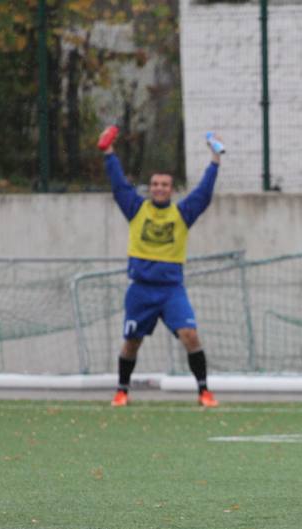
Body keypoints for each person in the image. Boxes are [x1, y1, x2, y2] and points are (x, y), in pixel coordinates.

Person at [99, 127, 221, 408]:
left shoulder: (182, 213)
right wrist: (108, 153)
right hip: (140, 289)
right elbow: (119, 185)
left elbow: (203, 194)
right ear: (150, 187)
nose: (159, 188)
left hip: (171, 290)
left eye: (165, 185)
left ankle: (204, 392)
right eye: (155, 184)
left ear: (172, 189)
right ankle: (122, 391)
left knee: (190, 336)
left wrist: (215, 161)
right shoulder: (136, 208)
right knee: (132, 342)